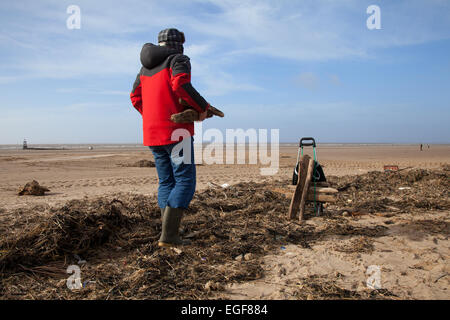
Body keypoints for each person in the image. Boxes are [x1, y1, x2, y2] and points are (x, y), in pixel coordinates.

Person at [130, 28, 210, 247]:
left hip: (153, 134)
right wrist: (202, 108)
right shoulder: (178, 59)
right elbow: (181, 84)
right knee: (185, 181)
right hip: (177, 131)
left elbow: (135, 97)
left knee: (166, 181)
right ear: (178, 44)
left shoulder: (144, 68)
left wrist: (152, 116)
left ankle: (168, 232)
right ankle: (170, 235)